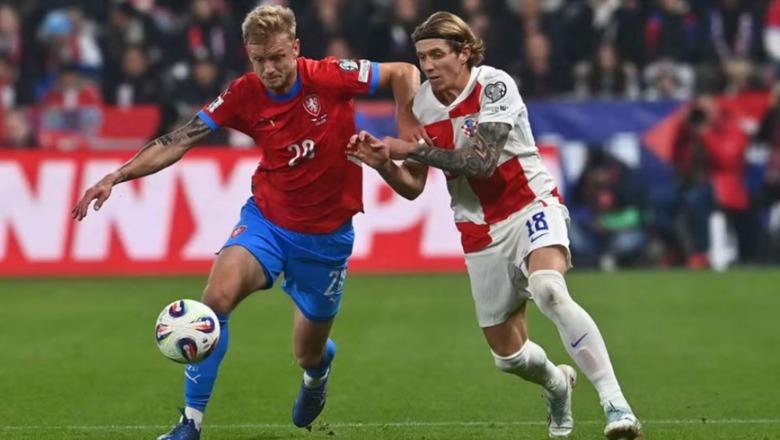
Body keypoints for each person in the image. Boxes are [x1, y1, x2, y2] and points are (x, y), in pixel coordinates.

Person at [72, 5, 423, 440]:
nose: (269, 68)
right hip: (267, 222)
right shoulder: (243, 94)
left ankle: (317, 371)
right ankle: (190, 424)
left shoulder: (330, 75)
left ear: (295, 48)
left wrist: (408, 126)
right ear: (248, 55)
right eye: (259, 60)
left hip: (326, 238)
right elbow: (178, 140)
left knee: (308, 352)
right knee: (215, 299)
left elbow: (404, 72)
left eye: (277, 57)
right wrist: (117, 175)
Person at [347, 11, 642, 439]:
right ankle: (557, 384)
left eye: (437, 54)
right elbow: (412, 187)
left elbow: (482, 162)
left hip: (529, 205)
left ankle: (616, 406)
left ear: (464, 52)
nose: (428, 65)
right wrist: (382, 164)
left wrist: (405, 148)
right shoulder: (421, 106)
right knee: (509, 357)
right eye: (422, 57)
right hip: (479, 230)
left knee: (549, 289)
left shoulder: (495, 84)